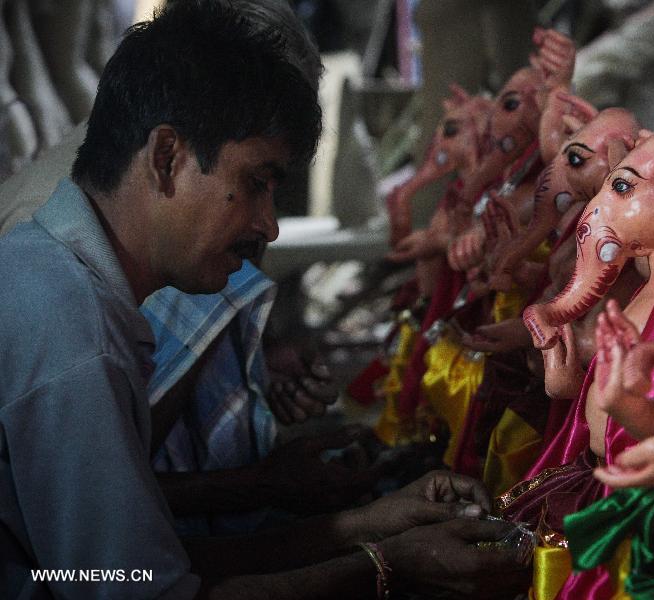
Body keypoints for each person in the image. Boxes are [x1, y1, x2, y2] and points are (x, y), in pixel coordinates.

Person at [0, 1, 524, 598]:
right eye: (255, 183)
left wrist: (362, 527)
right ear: (167, 157)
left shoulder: (53, 273)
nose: (270, 226)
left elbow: (133, 567)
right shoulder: (74, 336)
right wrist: (384, 564)